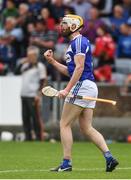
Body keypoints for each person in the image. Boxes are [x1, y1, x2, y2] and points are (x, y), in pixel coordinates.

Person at [44, 14, 119, 172]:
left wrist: (66, 89)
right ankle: (109, 157)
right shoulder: (75, 43)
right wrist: (52, 62)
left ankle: (66, 163)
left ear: (73, 26)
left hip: (82, 85)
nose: (61, 26)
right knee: (86, 128)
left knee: (64, 124)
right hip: (87, 85)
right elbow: (71, 71)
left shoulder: (78, 42)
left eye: (64, 23)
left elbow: (79, 68)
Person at [15, 46, 47, 141]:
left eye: (31, 56)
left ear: (36, 56)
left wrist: (39, 94)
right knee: (25, 117)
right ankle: (28, 137)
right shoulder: (25, 66)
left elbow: (43, 81)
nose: (29, 58)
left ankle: (38, 137)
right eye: (28, 55)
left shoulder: (40, 66)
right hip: (24, 94)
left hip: (33, 95)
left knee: (35, 117)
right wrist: (21, 63)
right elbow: (16, 72)